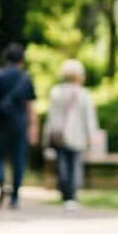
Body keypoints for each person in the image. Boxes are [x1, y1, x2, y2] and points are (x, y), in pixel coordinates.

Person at [0, 43, 36, 208]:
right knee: (18, 160)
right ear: (22, 60)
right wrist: (33, 128)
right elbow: (30, 107)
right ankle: (15, 197)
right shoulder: (25, 78)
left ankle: (1, 182)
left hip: (1, 122)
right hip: (20, 124)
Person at [42, 59, 97, 211]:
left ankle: (65, 194)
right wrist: (91, 134)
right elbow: (89, 117)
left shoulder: (56, 91)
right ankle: (72, 195)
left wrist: (47, 133)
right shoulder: (83, 93)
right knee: (75, 165)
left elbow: (51, 115)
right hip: (77, 134)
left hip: (59, 134)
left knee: (62, 165)